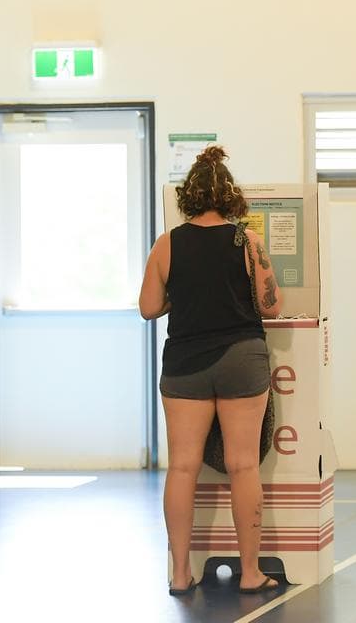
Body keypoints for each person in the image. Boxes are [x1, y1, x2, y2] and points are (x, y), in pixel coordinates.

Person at [139, 146, 284, 595]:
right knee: (243, 466)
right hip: (241, 358)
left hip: (185, 365)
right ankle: (251, 572)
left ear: (190, 195)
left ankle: (181, 574)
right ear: (230, 196)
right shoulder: (248, 241)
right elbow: (270, 304)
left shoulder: (168, 243)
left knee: (182, 467)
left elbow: (147, 308)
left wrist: (178, 299)